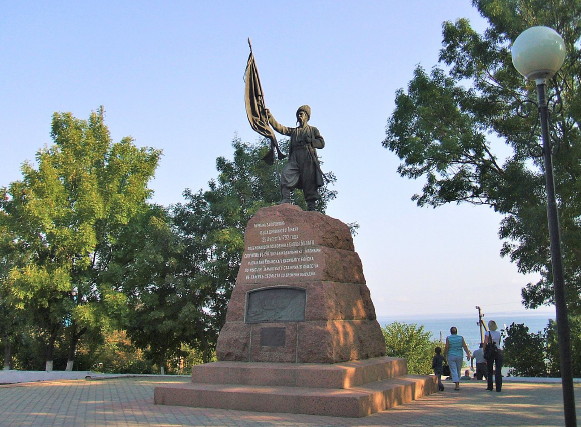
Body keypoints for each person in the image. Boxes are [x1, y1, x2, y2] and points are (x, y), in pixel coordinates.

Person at [266, 105, 325, 211]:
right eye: (298, 114)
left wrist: (311, 141)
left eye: (301, 114)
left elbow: (321, 143)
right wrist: (270, 117)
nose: (299, 116)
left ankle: (311, 207)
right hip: (295, 157)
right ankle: (286, 199)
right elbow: (281, 128)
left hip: (307, 157)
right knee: (286, 173)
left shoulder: (313, 130)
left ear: (307, 116)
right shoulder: (294, 131)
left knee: (309, 181)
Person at [444, 326, 471, 391]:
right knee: (458, 369)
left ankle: (456, 384)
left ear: (450, 332)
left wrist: (444, 354)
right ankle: (457, 384)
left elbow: (447, 347)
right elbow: (464, 346)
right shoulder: (460, 338)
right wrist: (468, 354)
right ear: (456, 331)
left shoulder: (448, 338)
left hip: (451, 355)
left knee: (453, 370)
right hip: (459, 355)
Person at [484, 319, 503, 392]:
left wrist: (484, 351)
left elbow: (485, 342)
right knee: (498, 370)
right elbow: (499, 342)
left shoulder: (487, 333)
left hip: (490, 352)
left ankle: (490, 386)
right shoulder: (498, 333)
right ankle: (498, 387)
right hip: (498, 351)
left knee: (490, 370)